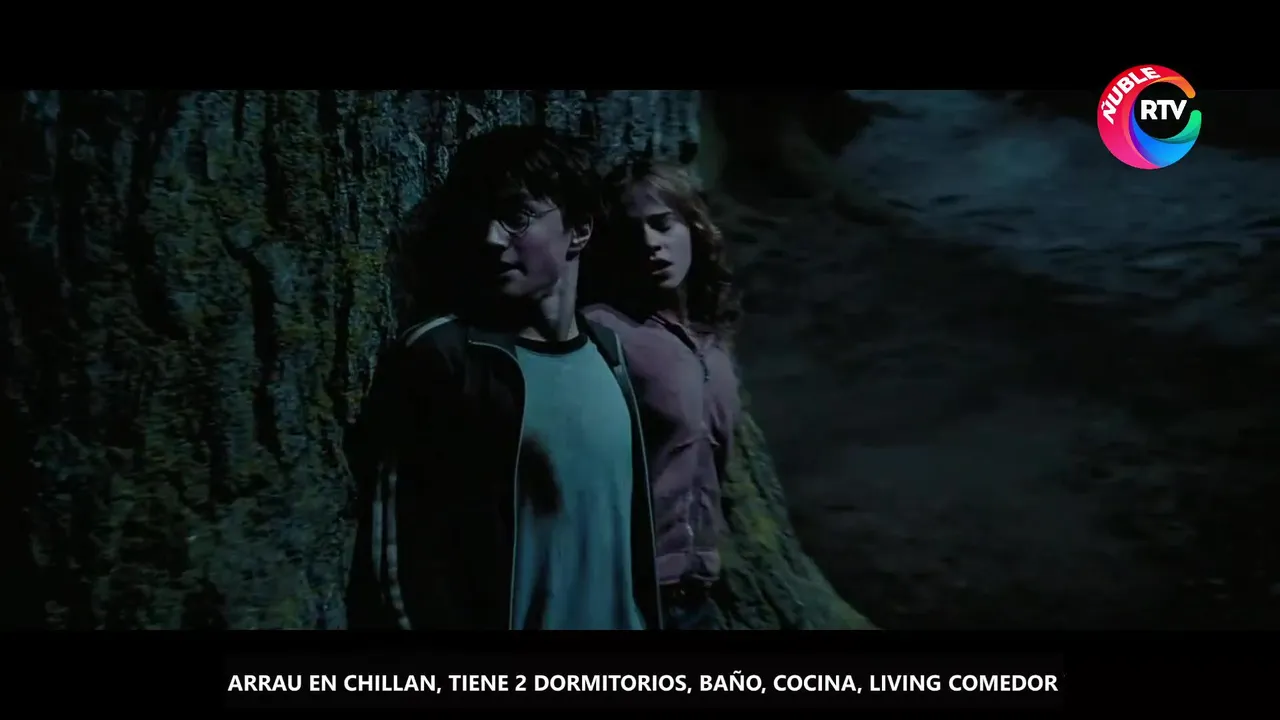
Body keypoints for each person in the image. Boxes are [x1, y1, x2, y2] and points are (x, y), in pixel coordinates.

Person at [345, 125, 662, 630]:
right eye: (482, 218)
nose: (491, 239)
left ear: (579, 229)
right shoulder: (448, 357)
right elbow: (401, 556)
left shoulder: (610, 354)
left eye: (517, 217)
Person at [580, 159, 742, 630]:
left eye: (662, 224)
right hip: (629, 592)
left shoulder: (713, 344)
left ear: (693, 227)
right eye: (634, 232)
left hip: (700, 591)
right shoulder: (603, 331)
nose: (651, 243)